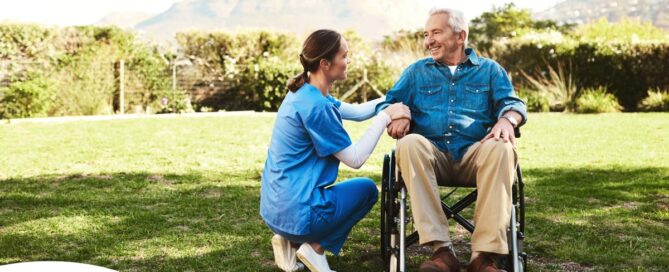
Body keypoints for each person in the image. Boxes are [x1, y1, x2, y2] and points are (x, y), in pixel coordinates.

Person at [376, 7, 528, 272]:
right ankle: (442, 252)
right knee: (409, 143)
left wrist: (507, 120)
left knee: (502, 148)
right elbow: (387, 103)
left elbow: (513, 104)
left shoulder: (490, 71)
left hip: (476, 154)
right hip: (430, 154)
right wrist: (398, 114)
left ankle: (483, 257)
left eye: (436, 32)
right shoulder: (415, 72)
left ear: (460, 36)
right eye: (426, 34)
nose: (428, 40)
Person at [259, 29, 410, 272]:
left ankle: (288, 240)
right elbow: (355, 158)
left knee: (333, 192)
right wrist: (384, 118)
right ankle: (315, 248)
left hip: (276, 209)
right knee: (367, 190)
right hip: (298, 213)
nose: (348, 61)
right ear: (325, 63)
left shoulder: (303, 92)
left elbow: (360, 111)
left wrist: (393, 102)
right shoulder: (318, 107)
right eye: (344, 56)